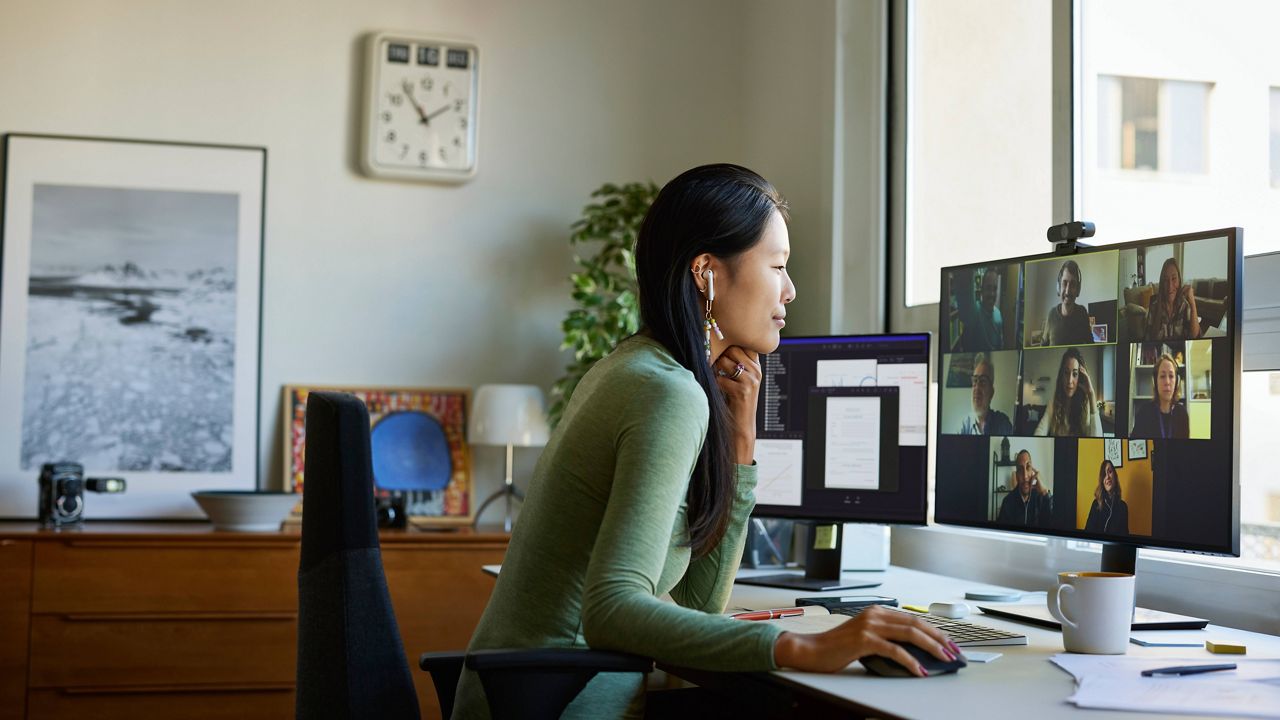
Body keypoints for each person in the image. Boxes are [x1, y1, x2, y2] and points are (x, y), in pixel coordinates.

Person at [452, 165, 957, 719]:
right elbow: (612, 611)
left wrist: (742, 442)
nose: (791, 290)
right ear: (706, 273)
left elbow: (698, 605)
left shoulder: (636, 367)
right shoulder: (665, 391)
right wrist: (804, 645)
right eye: (778, 266)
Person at [1035, 347, 1102, 437]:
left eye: (1074, 374)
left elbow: (1097, 441)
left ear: (1080, 377)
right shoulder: (1053, 404)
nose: (1069, 380)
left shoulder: (1087, 405)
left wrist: (1091, 393)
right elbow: (1040, 432)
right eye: (1066, 373)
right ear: (1061, 376)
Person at [1131, 352, 1191, 439]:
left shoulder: (1182, 414)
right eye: (1162, 376)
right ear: (1155, 382)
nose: (1167, 382)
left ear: (1177, 382)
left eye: (1171, 376)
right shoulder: (1144, 413)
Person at [1146, 257, 1201, 341]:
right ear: (1162, 283)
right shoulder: (1154, 306)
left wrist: (1192, 303)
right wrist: (1158, 313)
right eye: (1165, 280)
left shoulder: (1185, 305)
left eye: (1174, 278)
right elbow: (1149, 338)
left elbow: (1195, 336)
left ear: (1179, 280)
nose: (1170, 286)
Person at [958, 353, 1013, 435]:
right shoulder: (963, 425)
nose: (977, 388)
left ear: (991, 392)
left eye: (983, 381)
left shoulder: (1003, 423)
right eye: (975, 381)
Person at [1042, 259, 1093, 346]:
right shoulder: (1051, 315)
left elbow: (1090, 343)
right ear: (1059, 287)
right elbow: (1042, 346)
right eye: (1064, 283)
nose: (1067, 291)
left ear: (1078, 289)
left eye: (1073, 284)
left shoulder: (1082, 313)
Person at [996, 449, 1053, 527]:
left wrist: (1045, 493)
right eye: (1020, 469)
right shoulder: (1007, 502)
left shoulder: (1041, 498)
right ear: (1016, 476)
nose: (1025, 476)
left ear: (1033, 472)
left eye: (1028, 467)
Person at [954, 266, 1004, 351]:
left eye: (994, 289)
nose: (992, 294)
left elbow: (1000, 345)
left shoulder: (998, 314)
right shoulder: (973, 311)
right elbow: (963, 280)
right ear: (982, 290)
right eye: (988, 288)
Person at [1084, 459, 1129, 534]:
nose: (1107, 477)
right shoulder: (1096, 504)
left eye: (1110, 472)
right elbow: (1088, 533)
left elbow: (1125, 537)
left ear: (1115, 476)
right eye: (1104, 474)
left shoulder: (1123, 507)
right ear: (1102, 480)